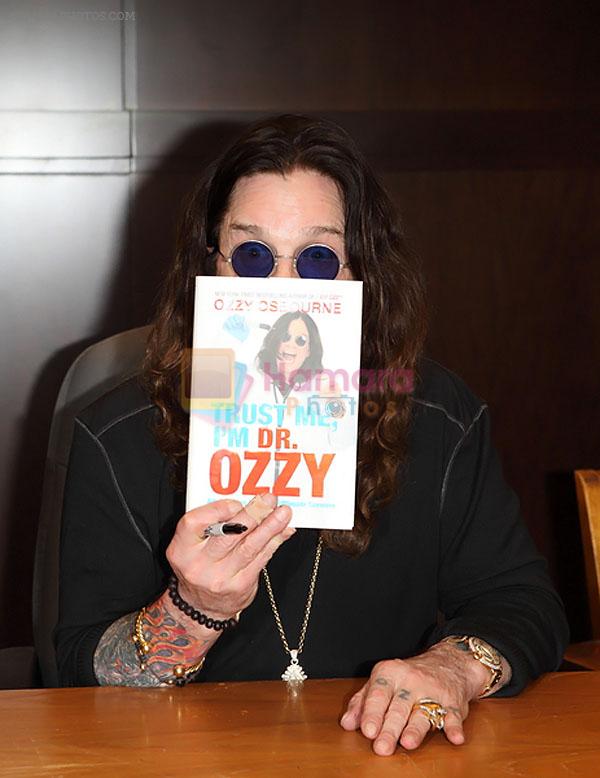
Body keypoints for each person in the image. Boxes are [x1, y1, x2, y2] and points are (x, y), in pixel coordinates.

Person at [55, 114, 569, 756]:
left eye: (319, 259)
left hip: (378, 756)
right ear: (208, 267)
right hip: (184, 759)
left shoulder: (435, 412)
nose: (283, 290)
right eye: (252, 255)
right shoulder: (120, 431)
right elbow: (76, 668)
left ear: (362, 275)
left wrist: (452, 669)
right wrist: (189, 610)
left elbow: (522, 600)